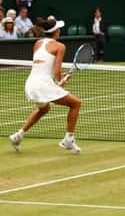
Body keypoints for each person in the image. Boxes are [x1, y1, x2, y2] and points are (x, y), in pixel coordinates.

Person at [8, 17, 82, 153]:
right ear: (56, 32)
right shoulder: (60, 46)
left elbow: (45, 67)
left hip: (31, 84)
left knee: (44, 109)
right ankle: (68, 140)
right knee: (76, 104)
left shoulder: (37, 43)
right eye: (59, 29)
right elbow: (57, 72)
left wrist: (61, 78)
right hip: (42, 84)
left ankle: (18, 135)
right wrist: (62, 80)